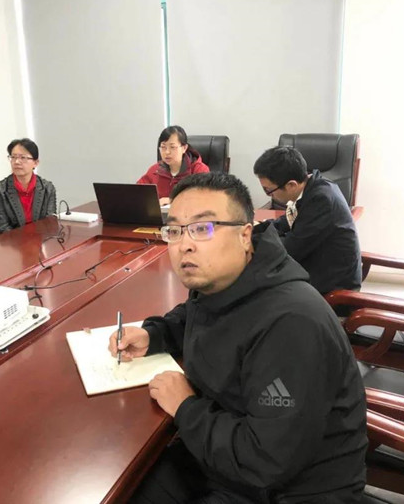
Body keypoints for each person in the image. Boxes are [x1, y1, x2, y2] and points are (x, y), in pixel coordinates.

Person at [109, 173, 367, 503]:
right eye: (175, 230)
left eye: (202, 228)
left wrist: (186, 407)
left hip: (287, 488)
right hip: (225, 457)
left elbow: (265, 460)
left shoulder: (290, 324)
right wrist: (153, 334)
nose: (184, 244)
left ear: (245, 235)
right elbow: (198, 313)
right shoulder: (225, 281)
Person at [254, 146, 362, 295]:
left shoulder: (321, 200)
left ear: (291, 185)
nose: (269, 195)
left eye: (268, 190)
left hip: (331, 287)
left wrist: (253, 242)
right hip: (315, 266)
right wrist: (255, 229)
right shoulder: (310, 188)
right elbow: (286, 222)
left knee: (256, 283)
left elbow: (290, 248)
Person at [0, 138, 57, 233]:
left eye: (23, 157)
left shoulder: (47, 188)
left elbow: (49, 222)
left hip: (41, 238)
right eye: (13, 157)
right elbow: (3, 227)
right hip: (13, 240)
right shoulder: (0, 190)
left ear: (35, 163)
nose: (17, 162)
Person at [137, 125, 210, 206]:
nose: (167, 152)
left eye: (172, 147)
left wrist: (172, 200)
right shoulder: (155, 170)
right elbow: (138, 194)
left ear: (184, 148)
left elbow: (204, 198)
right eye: (163, 147)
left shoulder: (199, 170)